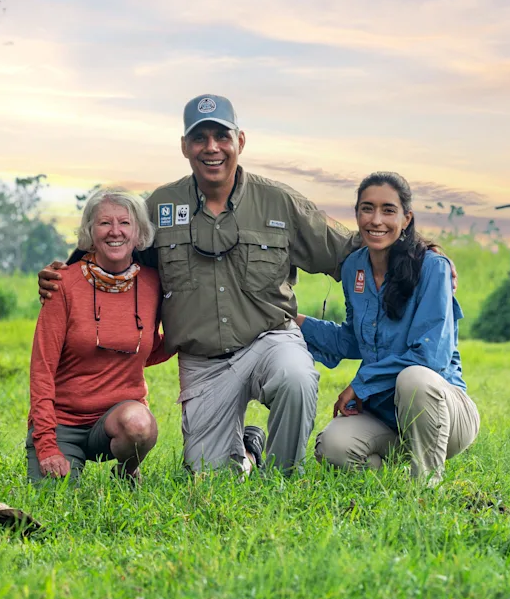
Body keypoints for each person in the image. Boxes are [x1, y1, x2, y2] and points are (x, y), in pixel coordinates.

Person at [40, 94, 372, 476]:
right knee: (209, 477)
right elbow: (111, 247)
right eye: (200, 138)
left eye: (221, 136)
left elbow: (349, 254)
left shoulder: (279, 202)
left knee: (296, 376)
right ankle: (248, 449)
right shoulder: (162, 206)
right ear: (185, 147)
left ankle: (281, 479)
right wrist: (61, 275)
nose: (211, 147)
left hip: (269, 339)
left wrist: (415, 250)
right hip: (203, 363)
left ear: (240, 141)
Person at [298, 172, 479, 485]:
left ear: (406, 218)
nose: (376, 220)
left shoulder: (433, 268)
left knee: (415, 378)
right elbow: (353, 340)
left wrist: (361, 384)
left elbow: (430, 358)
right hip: (387, 416)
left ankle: (424, 488)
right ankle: (387, 484)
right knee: (333, 447)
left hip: (444, 413)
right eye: (367, 209)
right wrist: (298, 323)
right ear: (356, 214)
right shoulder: (355, 266)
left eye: (388, 210)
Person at [27, 189, 173, 485]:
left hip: (115, 421)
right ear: (90, 233)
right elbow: (42, 369)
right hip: (62, 424)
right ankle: (60, 453)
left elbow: (150, 348)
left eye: (125, 223)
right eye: (105, 223)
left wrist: (183, 338)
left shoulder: (153, 283)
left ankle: (126, 470)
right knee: (55, 506)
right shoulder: (61, 283)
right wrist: (46, 444)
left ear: (139, 234)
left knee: (139, 424)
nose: (115, 232)